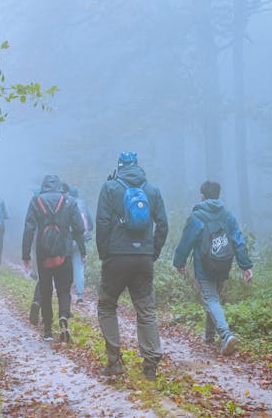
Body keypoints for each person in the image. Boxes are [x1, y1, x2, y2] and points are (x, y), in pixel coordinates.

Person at [95, 151, 168, 381]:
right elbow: (163, 225)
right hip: (143, 258)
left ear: (119, 166)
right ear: (137, 165)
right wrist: (152, 251)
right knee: (146, 310)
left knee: (107, 306)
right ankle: (150, 363)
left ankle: (115, 361)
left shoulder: (109, 188)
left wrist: (104, 254)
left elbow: (102, 222)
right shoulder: (152, 190)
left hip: (116, 257)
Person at [173, 180, 253, 356]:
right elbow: (238, 240)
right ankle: (209, 337)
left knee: (211, 299)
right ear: (218, 196)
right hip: (224, 263)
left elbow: (186, 242)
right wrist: (245, 266)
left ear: (202, 197)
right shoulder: (227, 215)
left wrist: (179, 263)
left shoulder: (197, 216)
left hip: (204, 266)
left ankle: (226, 335)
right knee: (213, 298)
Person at [22, 174, 86, 342]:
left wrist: (25, 254)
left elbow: (29, 228)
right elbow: (79, 228)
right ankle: (63, 317)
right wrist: (82, 249)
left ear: (44, 185)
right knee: (64, 289)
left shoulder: (36, 201)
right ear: (59, 186)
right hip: (64, 251)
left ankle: (48, 330)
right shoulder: (69, 201)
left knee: (45, 290)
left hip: (43, 252)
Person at [68, 185, 93, 306]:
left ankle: (65, 293)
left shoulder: (66, 203)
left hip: (67, 241)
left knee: (66, 267)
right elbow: (91, 226)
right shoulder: (83, 205)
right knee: (79, 268)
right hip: (81, 241)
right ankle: (80, 295)